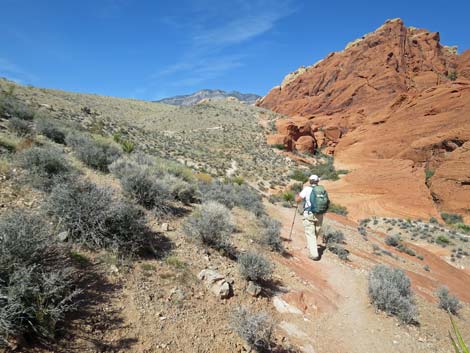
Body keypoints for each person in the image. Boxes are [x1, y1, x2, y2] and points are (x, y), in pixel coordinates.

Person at [295, 174, 329, 261]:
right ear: (317, 181)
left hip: (309, 213)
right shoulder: (322, 190)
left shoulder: (307, 189)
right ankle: (311, 246)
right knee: (316, 230)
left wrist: (297, 196)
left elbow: (298, 200)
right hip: (320, 214)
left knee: (310, 233)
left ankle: (314, 254)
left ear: (310, 181)